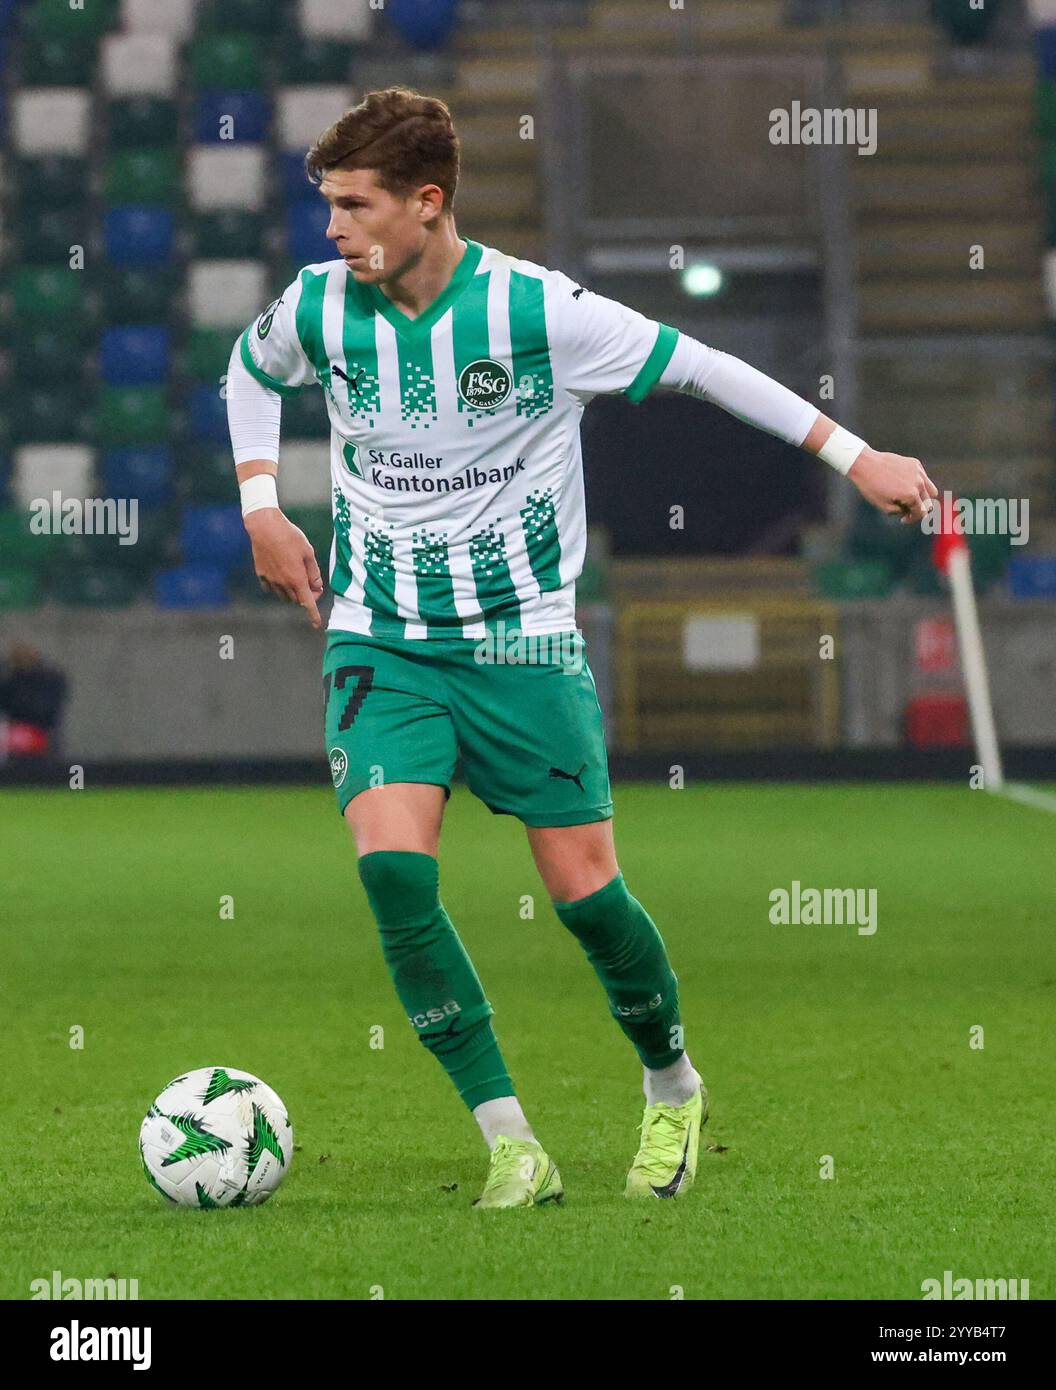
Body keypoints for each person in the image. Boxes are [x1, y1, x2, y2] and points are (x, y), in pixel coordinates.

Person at [226, 88, 936, 1209]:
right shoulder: (318, 307)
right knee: (395, 877)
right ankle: (510, 1139)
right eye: (327, 206)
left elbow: (703, 365)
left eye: (354, 207)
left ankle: (670, 1085)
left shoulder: (539, 312)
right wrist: (262, 503)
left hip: (521, 647)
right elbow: (248, 370)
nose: (332, 231)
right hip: (381, 640)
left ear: (427, 202)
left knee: (587, 895)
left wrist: (856, 456)